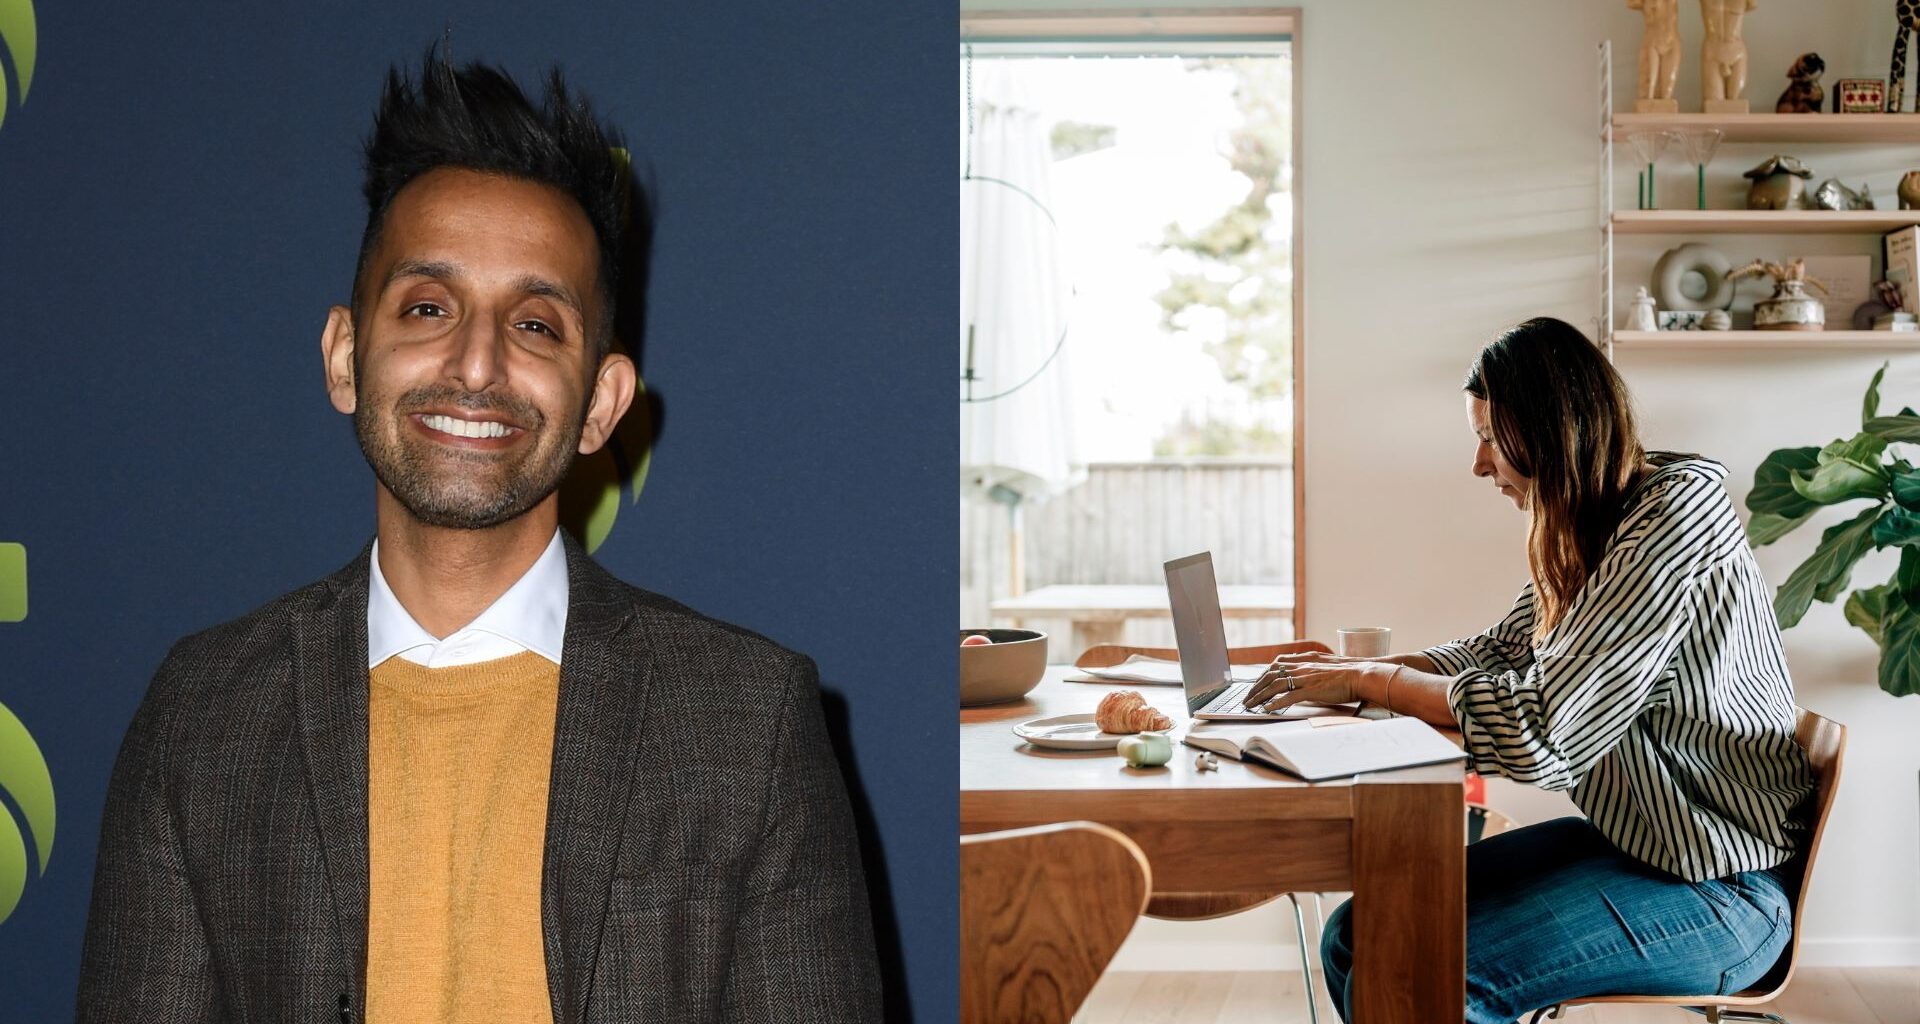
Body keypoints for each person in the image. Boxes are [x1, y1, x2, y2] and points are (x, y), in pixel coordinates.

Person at [74, 48, 882, 1023]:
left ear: (601, 402)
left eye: (537, 324)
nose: (476, 361)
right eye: (427, 307)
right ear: (344, 356)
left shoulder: (748, 724)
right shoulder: (202, 717)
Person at [1244, 317, 1813, 1024]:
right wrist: (1364, 665)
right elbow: (1504, 650)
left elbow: (1541, 735)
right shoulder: (1596, 521)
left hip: (1721, 889)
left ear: (1551, 430)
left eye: (1488, 437)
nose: (1479, 465)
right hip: (1635, 849)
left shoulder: (1673, 515)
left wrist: (1371, 685)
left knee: (1421, 974)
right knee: (1358, 938)